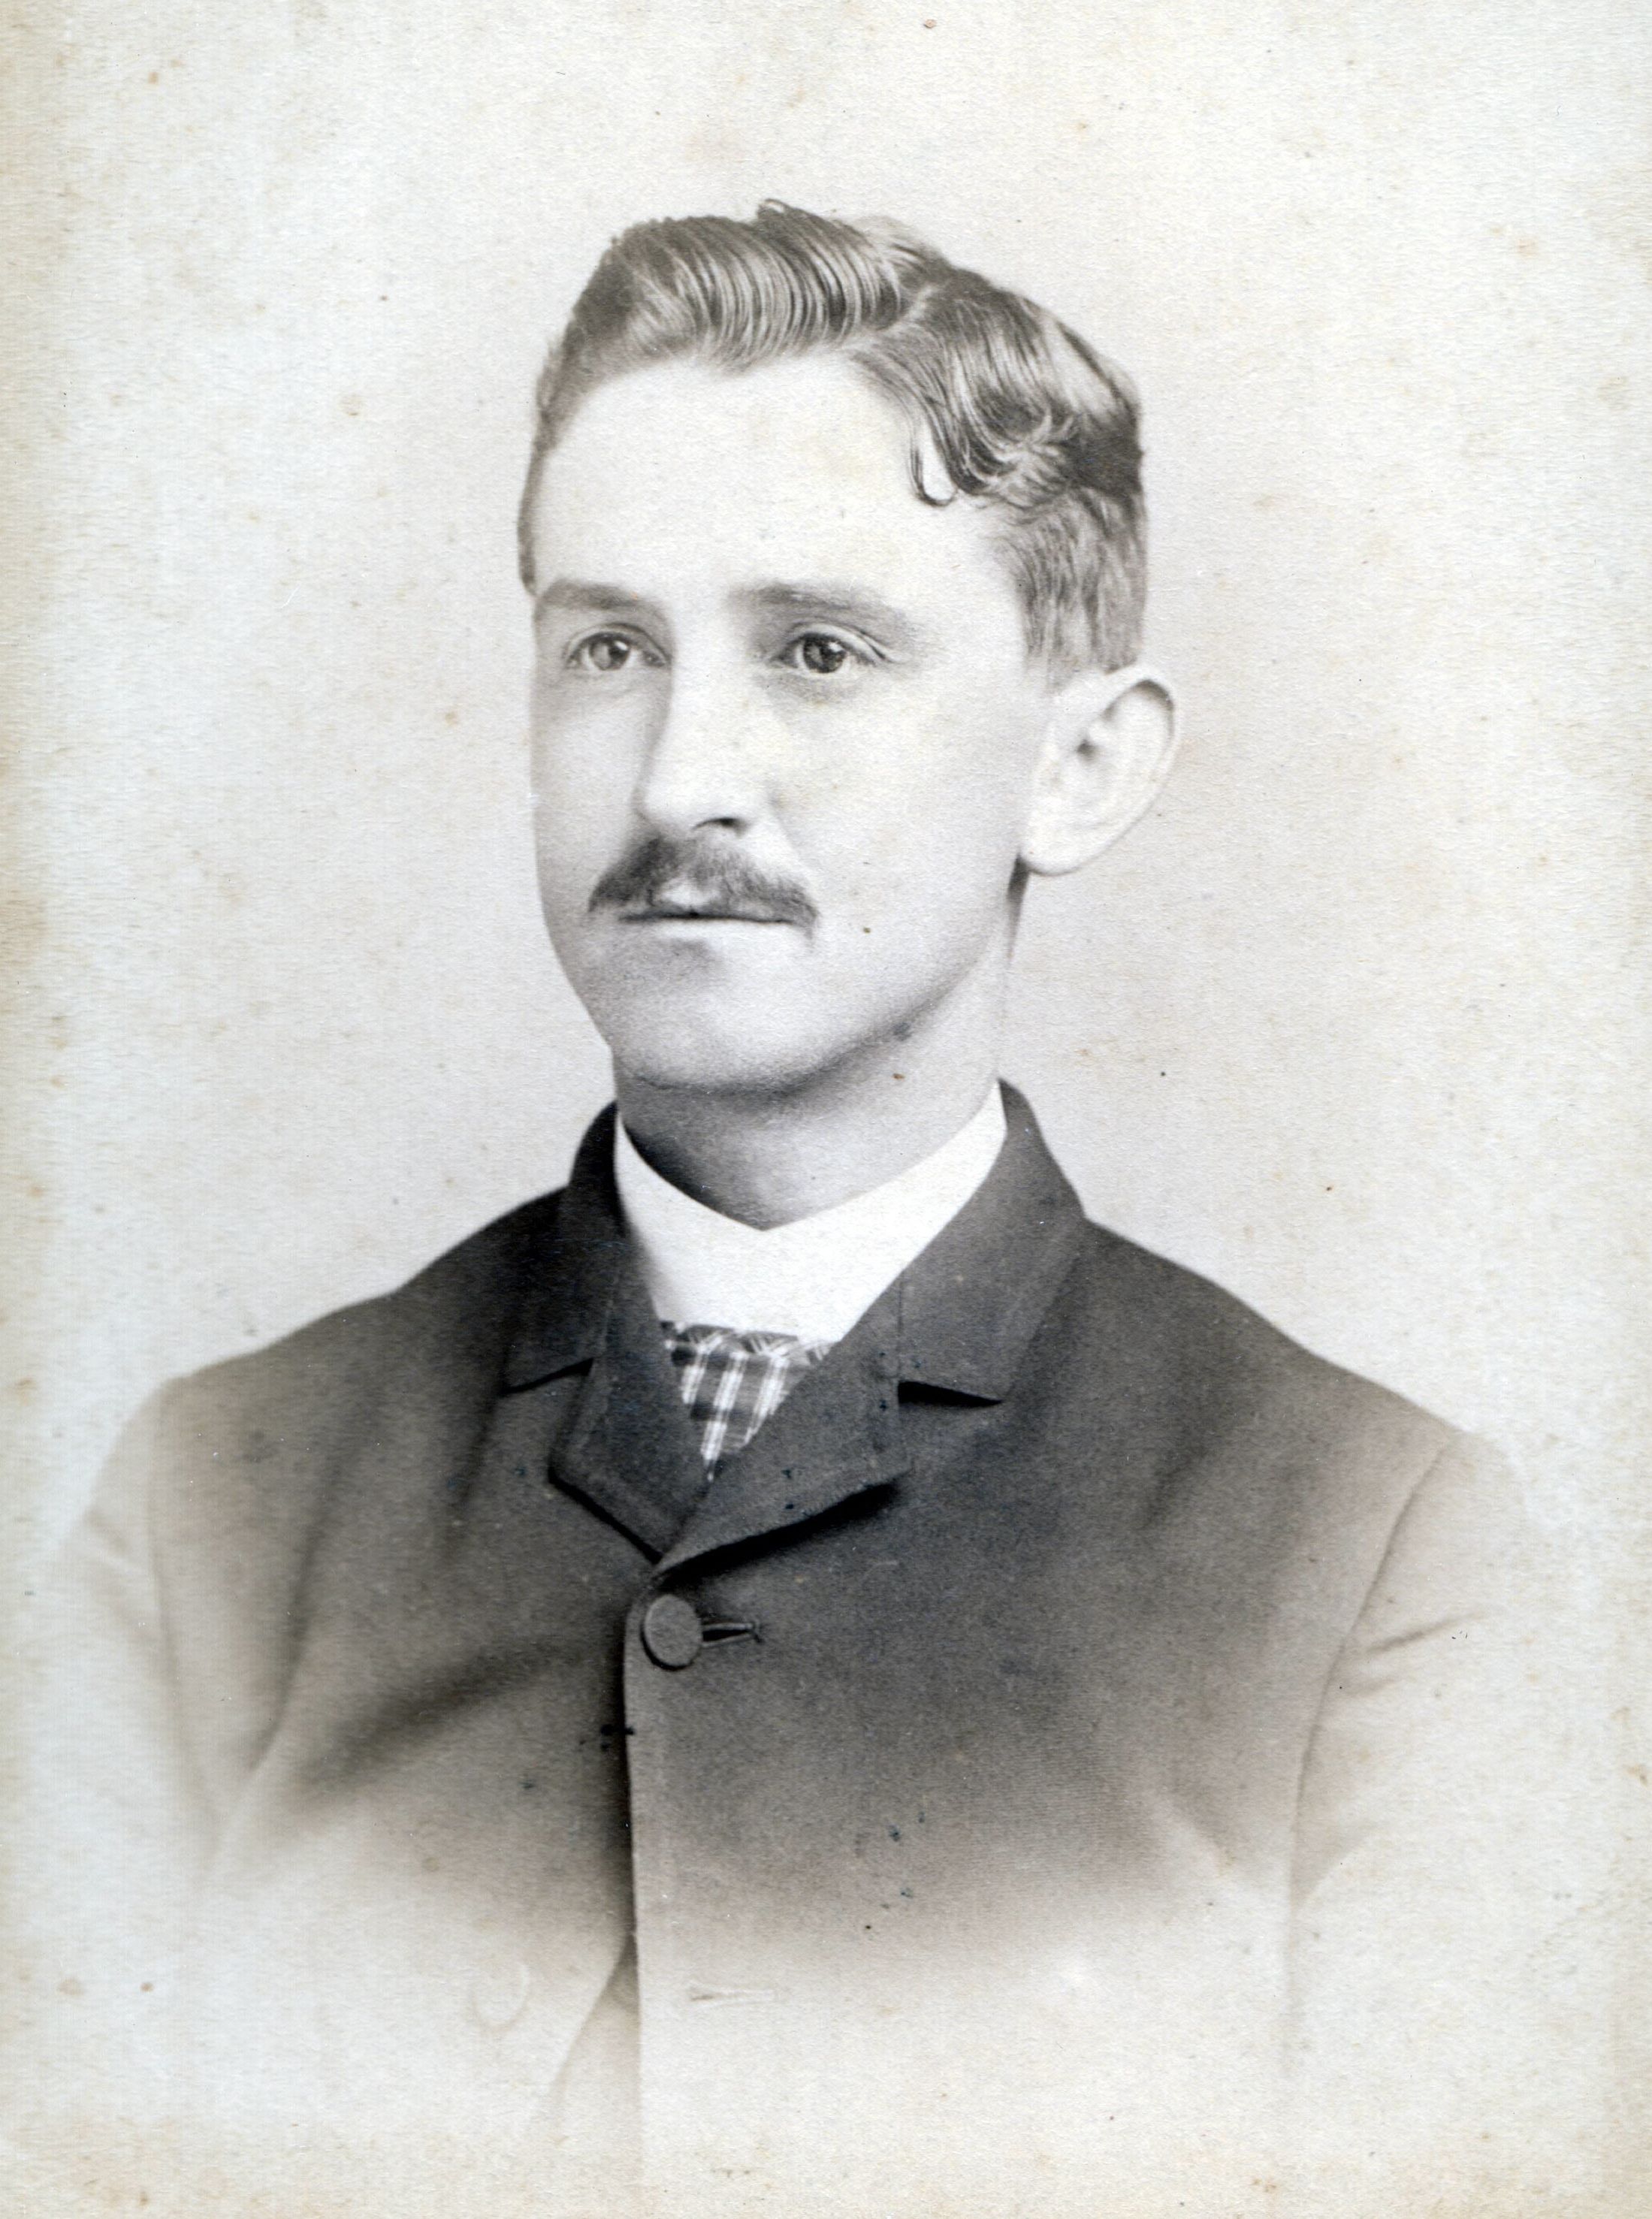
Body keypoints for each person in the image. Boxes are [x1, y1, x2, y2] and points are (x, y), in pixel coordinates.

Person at [20, 204, 1555, 2219]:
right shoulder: (214, 1512)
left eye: (818, 652)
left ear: (1083, 768)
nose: (678, 782)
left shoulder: (1370, 1547)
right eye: (609, 651)